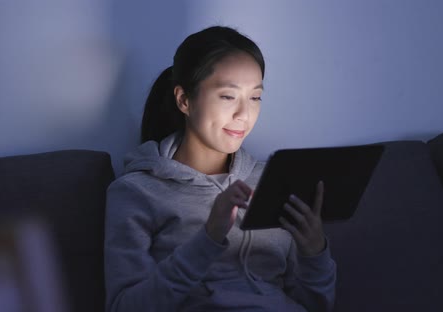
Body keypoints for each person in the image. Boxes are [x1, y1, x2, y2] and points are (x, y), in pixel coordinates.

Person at [104, 26, 336, 312]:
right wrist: (209, 238)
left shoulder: (274, 181)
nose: (244, 114)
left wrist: (315, 254)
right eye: (228, 96)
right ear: (184, 100)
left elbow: (314, 305)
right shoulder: (136, 192)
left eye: (255, 97)